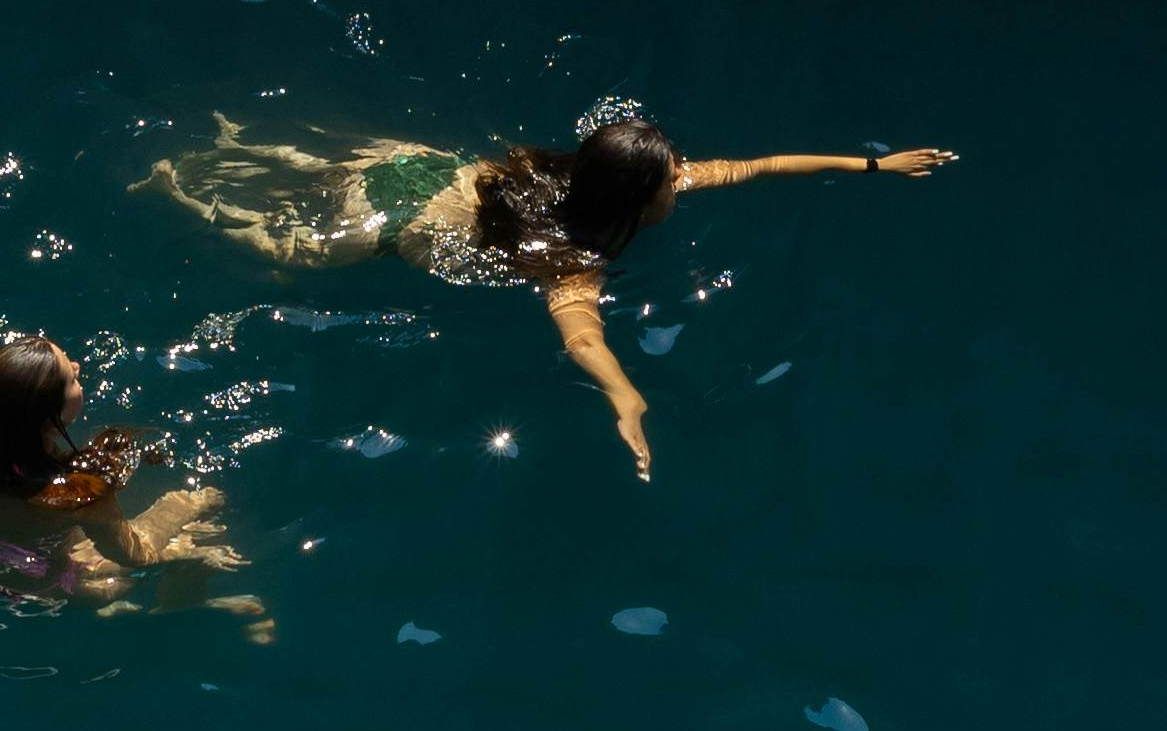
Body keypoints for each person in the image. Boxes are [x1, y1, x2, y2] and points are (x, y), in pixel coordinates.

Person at [145, 99, 953, 479]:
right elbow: (579, 334)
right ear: (637, 200)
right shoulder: (573, 255)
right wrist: (626, 395)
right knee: (288, 256)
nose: (685, 177)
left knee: (315, 169)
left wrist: (874, 164)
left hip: (417, 164)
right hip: (390, 220)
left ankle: (237, 141)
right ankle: (182, 194)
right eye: (671, 176)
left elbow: (762, 166)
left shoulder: (571, 179)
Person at [0, 334, 273, 640]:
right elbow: (137, 557)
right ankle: (182, 611)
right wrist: (184, 505)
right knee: (195, 536)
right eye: (71, 376)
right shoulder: (74, 497)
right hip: (55, 588)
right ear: (51, 417)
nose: (77, 364)